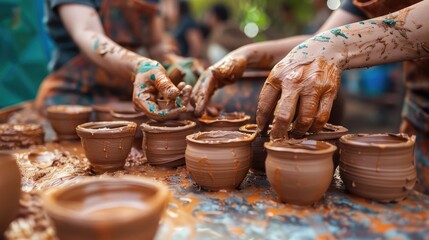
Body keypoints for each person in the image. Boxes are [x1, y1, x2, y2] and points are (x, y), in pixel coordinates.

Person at [192, 0, 429, 193]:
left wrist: (336, 47)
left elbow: (329, 44)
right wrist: (246, 55)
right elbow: (320, 41)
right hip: (419, 127)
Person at [35, 0, 192, 121]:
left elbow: (156, 44)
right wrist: (141, 66)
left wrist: (178, 64)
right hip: (74, 97)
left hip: (129, 98)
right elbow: (86, 32)